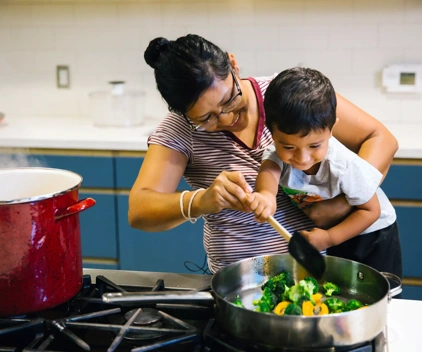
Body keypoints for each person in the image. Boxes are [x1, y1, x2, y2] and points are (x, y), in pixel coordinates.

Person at [128, 34, 398, 274]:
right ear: (182, 113)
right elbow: (139, 210)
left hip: (314, 271)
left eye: (229, 100)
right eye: (206, 118)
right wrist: (201, 201)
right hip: (240, 279)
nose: (227, 118)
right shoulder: (180, 129)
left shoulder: (284, 95)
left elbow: (380, 138)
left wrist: (346, 204)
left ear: (233, 66)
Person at [247, 67, 402, 278]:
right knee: (339, 290)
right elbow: (269, 172)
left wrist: (329, 238)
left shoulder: (344, 165)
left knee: (380, 295)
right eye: (289, 147)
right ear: (270, 131)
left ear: (331, 129)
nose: (302, 158)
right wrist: (265, 195)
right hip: (335, 233)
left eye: (314, 146)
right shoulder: (275, 155)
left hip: (373, 234)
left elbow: (370, 211)